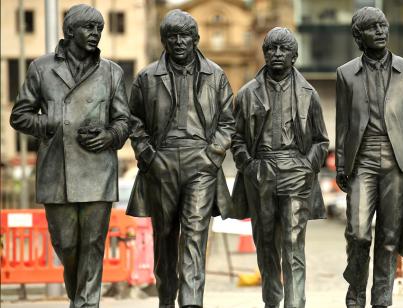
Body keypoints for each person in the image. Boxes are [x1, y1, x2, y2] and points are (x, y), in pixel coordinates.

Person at [10, 4, 130, 307]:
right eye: (89, 28)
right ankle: (79, 298)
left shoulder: (112, 72)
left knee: (93, 245)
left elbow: (124, 121)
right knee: (67, 245)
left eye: (99, 29)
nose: (96, 34)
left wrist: (110, 136)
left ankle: (87, 304)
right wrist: (48, 123)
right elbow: (19, 116)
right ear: (69, 31)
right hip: (56, 172)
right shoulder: (41, 68)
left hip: (98, 169)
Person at [125, 9, 235, 308]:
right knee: (165, 238)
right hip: (161, 163)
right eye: (172, 36)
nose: (179, 41)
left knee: (195, 237)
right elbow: (133, 120)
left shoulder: (215, 75)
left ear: (196, 38)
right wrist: (148, 156)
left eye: (185, 35)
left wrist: (212, 155)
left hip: (201, 163)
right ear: (163, 40)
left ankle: (191, 303)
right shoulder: (147, 77)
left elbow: (228, 121)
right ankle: (166, 300)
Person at [335, 7, 403, 308]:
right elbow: (343, 124)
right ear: (358, 36)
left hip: (398, 163)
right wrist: (340, 163)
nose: (380, 31)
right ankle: (355, 295)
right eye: (371, 27)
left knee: (389, 238)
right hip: (361, 160)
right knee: (358, 233)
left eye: (383, 26)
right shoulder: (346, 73)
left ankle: (381, 301)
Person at [231, 27, 329, 308]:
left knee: (293, 245)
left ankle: (295, 304)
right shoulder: (248, 93)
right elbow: (236, 138)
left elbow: (321, 141)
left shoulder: (309, 94)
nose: (276, 54)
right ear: (264, 54)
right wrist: (249, 166)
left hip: (295, 173)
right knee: (265, 246)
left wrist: (306, 167)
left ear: (294, 56)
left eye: (283, 49)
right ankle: (272, 302)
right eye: (271, 49)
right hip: (260, 172)